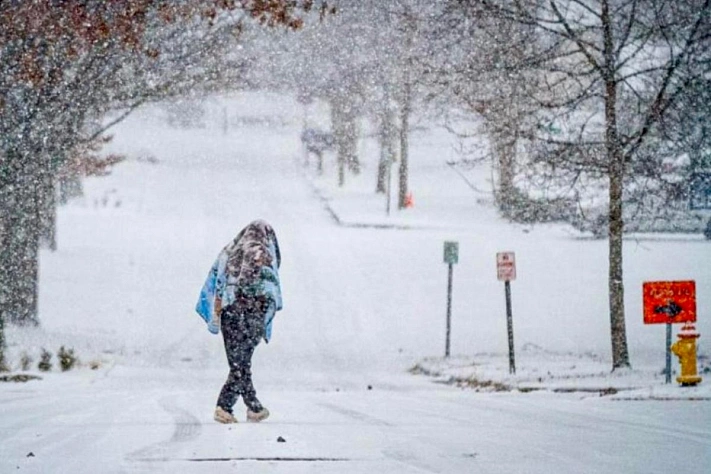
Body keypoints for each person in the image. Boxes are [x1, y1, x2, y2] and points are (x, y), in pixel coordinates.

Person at [196, 220, 283, 424]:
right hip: (253, 313)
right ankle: (233, 406)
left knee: (239, 363)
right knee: (241, 363)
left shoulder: (229, 252)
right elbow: (269, 287)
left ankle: (246, 407)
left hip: (229, 313)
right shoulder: (262, 253)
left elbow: (215, 281)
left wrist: (219, 308)